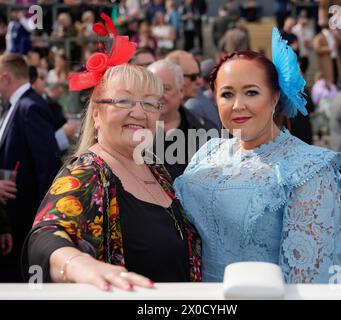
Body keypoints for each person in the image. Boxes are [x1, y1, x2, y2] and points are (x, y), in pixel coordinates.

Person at [22, 17, 201, 289]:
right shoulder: (87, 173)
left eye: (151, 104)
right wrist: (80, 265)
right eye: (124, 101)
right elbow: (44, 238)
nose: (139, 113)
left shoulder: (155, 168)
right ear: (96, 112)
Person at [174, 29, 341, 283]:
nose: (238, 105)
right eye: (227, 94)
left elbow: (310, 277)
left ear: (275, 97)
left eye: (251, 92)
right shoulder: (207, 152)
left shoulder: (309, 168)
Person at [0, 53, 62, 282]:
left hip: (25, 218)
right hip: (12, 219)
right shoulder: (15, 106)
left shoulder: (30, 106)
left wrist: (43, 219)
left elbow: (47, 165)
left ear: (5, 77)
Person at [148, 59, 216, 180]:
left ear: (181, 91)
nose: (158, 95)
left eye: (165, 88)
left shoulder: (205, 131)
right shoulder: (132, 132)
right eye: (152, 89)